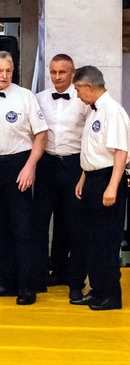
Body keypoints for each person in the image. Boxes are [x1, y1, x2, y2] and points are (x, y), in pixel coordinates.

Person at [0, 51, 47, 305]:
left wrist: (30, 167)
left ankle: (27, 286)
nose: (4, 75)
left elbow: (41, 135)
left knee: (22, 229)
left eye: (9, 70)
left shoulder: (25, 96)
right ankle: (6, 281)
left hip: (18, 165)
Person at [71, 66, 129, 311]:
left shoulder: (112, 111)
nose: (77, 95)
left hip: (107, 178)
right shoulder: (94, 110)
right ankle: (98, 290)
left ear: (89, 86)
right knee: (92, 239)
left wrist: (112, 186)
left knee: (106, 240)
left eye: (78, 90)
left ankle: (111, 296)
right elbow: (93, 149)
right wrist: (84, 177)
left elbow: (120, 152)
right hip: (93, 177)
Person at [33, 53, 89, 292]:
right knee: (40, 220)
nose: (57, 77)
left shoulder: (83, 99)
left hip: (75, 164)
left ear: (73, 72)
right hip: (46, 164)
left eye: (62, 72)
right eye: (53, 72)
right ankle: (40, 276)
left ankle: (73, 278)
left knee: (73, 222)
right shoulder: (39, 99)